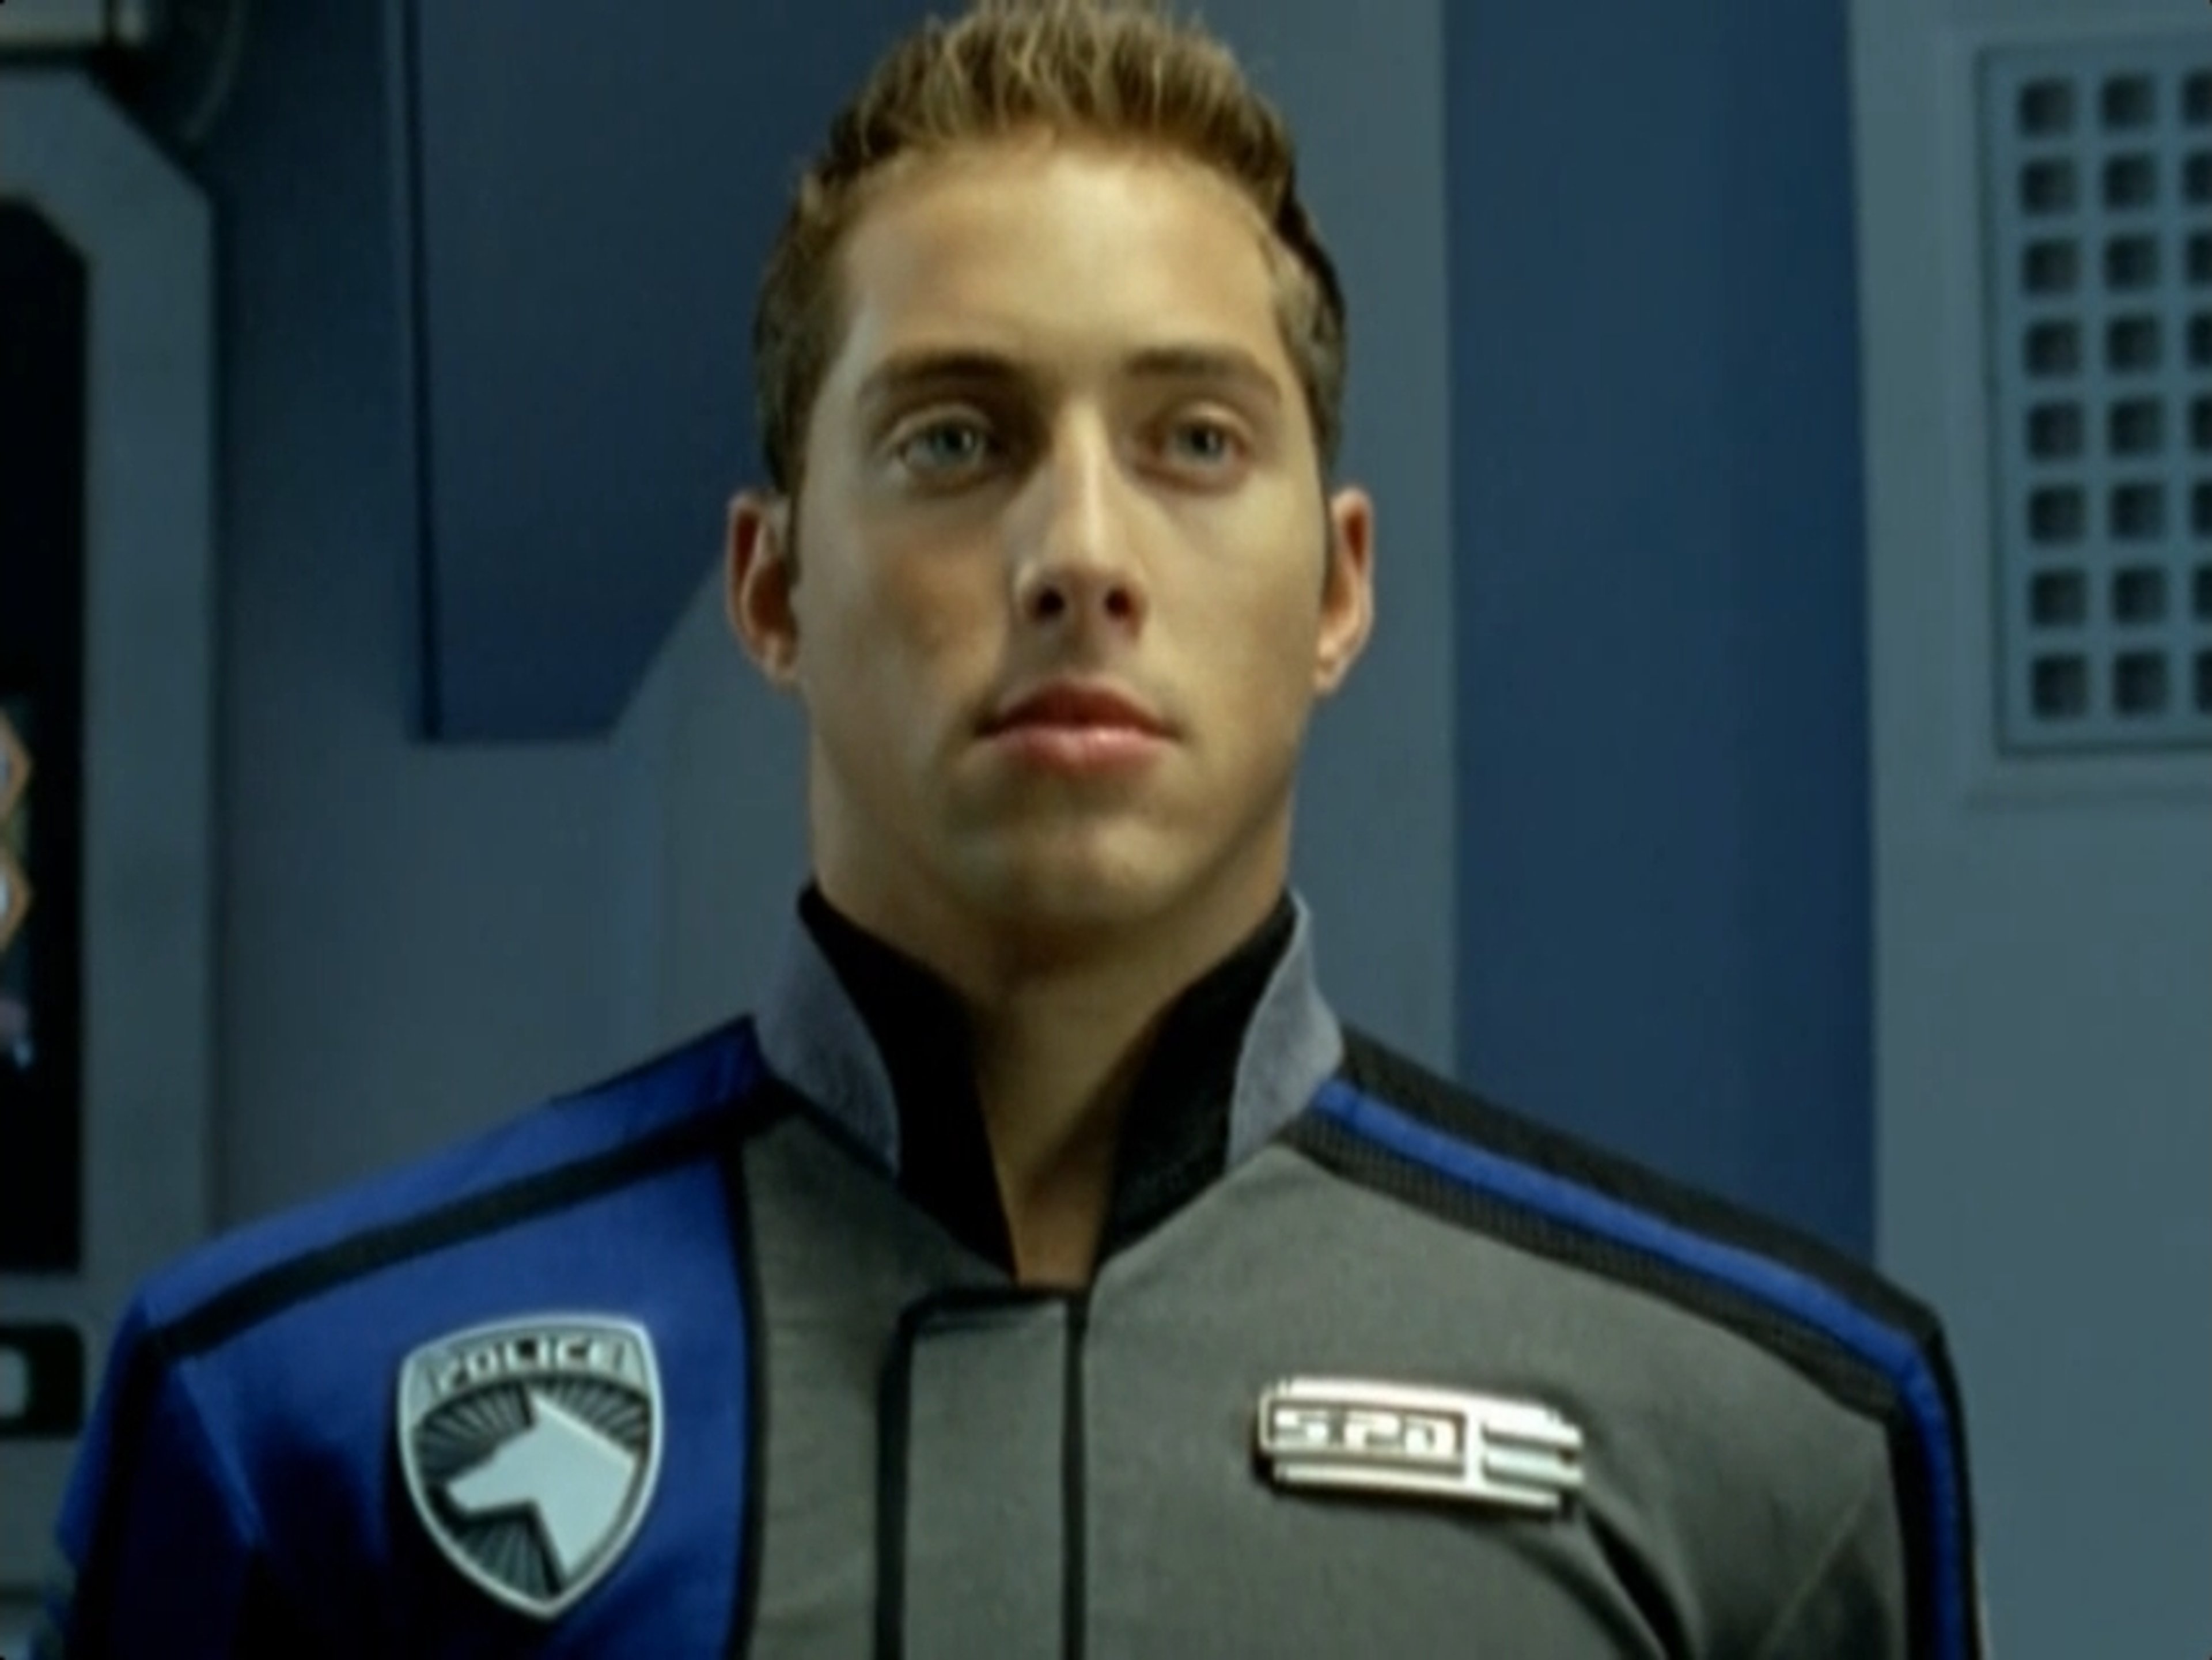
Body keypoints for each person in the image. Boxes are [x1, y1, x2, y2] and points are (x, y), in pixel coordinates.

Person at [33, 1, 1983, 1654]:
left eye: (1195, 441)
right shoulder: (290, 1422)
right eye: (955, 438)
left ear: (1336, 588)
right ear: (774, 587)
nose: (1078, 556)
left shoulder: (1760, 1452)